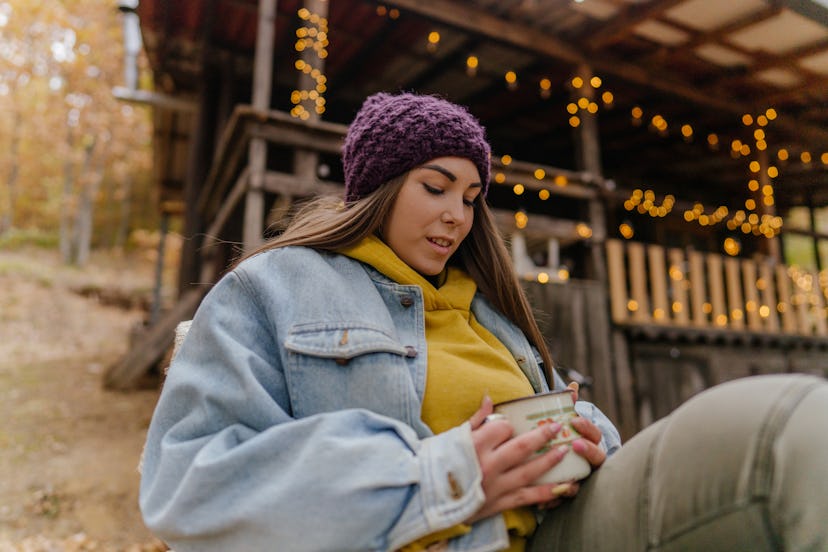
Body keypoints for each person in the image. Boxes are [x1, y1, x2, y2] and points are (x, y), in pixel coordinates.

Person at [139, 92, 828, 552]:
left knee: (788, 439)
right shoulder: (278, 285)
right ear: (377, 188)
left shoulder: (489, 308)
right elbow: (189, 484)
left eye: (470, 197)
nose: (456, 216)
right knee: (777, 436)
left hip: (567, 527)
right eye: (434, 187)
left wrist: (587, 437)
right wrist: (441, 474)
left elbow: (568, 419)